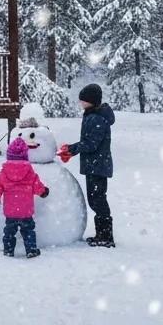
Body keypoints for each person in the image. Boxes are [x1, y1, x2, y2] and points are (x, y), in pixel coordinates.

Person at [58, 83, 116, 247]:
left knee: (98, 200)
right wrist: (72, 150)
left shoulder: (97, 118)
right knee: (95, 199)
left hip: (98, 166)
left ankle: (105, 237)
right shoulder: (93, 115)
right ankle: (101, 235)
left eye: (83, 100)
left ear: (91, 101)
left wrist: (72, 149)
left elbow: (91, 143)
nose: (81, 102)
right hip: (95, 165)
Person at [0, 136, 49, 258]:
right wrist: (43, 192)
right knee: (28, 230)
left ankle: (8, 250)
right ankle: (31, 249)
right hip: (26, 210)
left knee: (9, 232)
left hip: (11, 211)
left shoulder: (3, 172)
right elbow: (36, 184)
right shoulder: (29, 171)